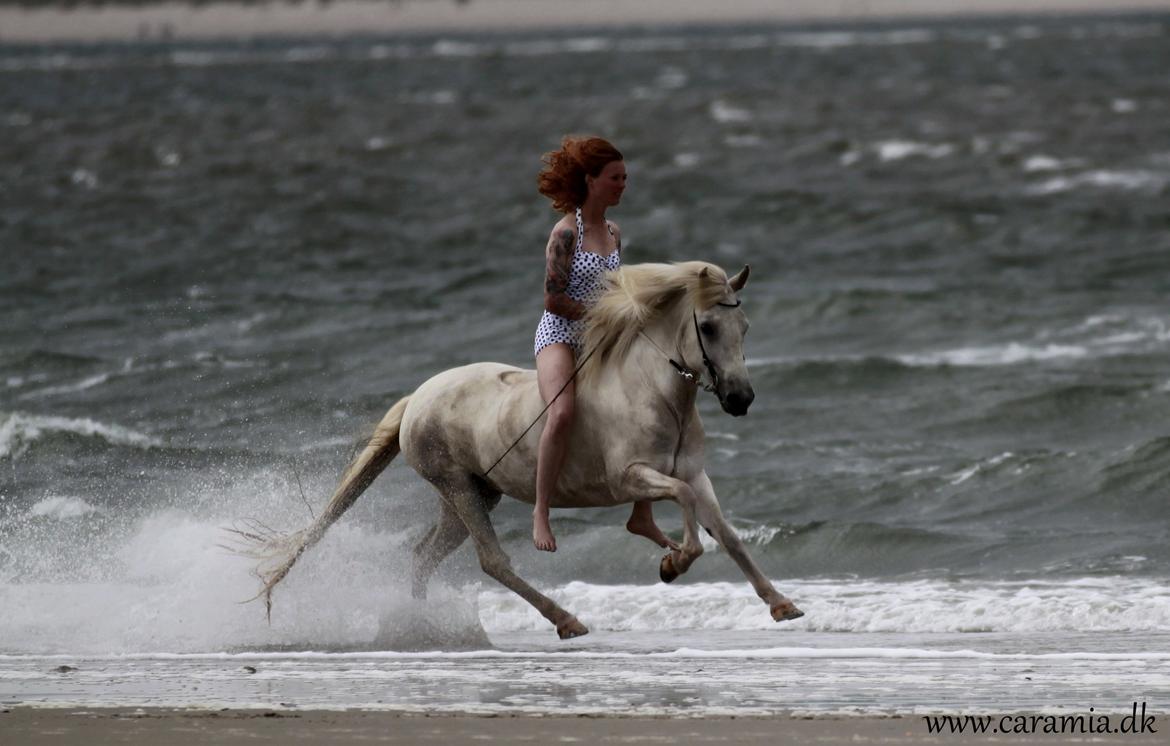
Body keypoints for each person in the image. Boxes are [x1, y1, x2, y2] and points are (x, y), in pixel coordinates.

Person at [532, 135, 678, 553]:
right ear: (591, 180)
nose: (623, 185)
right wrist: (607, 317)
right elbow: (552, 299)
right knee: (561, 414)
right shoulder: (564, 234)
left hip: (604, 336)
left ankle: (642, 514)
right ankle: (541, 510)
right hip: (560, 334)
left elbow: (616, 289)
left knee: (649, 402)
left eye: (626, 178)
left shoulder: (614, 232)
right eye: (615, 178)